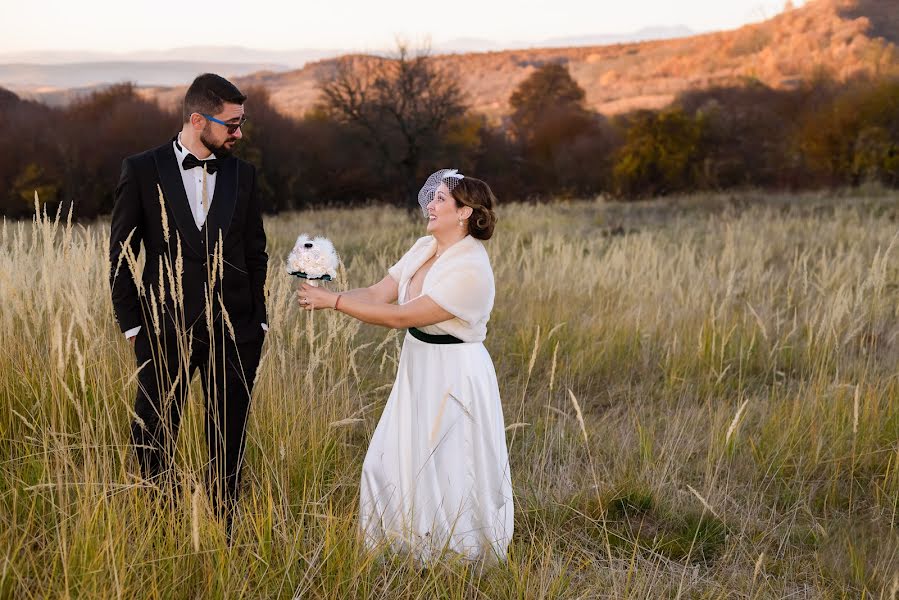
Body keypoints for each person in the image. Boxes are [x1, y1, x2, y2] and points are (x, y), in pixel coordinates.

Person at [298, 169, 514, 563]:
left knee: (451, 463)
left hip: (454, 371)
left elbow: (400, 316)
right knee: (391, 457)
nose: (429, 205)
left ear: (464, 212)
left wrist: (335, 303)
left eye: (440, 201)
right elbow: (381, 293)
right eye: (431, 198)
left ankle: (458, 556)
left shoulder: (471, 268)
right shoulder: (423, 247)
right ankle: (401, 547)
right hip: (418, 365)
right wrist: (327, 294)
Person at [108, 73, 268, 531]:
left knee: (227, 439)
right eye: (232, 124)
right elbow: (121, 255)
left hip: (235, 331)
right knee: (153, 437)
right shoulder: (141, 169)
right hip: (162, 330)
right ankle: (164, 529)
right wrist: (135, 328)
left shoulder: (244, 174)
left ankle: (223, 530)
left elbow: (256, 251)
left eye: (242, 123)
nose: (239, 133)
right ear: (198, 120)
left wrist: (258, 321)